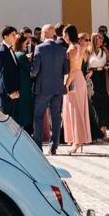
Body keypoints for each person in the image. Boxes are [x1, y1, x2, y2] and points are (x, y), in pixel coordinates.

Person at [29, 25, 68, 154]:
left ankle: (38, 145)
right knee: (56, 117)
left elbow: (35, 71)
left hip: (43, 88)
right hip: (57, 87)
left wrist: (30, 74)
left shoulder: (40, 48)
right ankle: (53, 146)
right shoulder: (61, 49)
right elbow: (66, 70)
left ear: (44, 34)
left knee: (38, 116)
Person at [60, 26, 92, 154]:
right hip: (78, 78)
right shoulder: (79, 47)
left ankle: (77, 141)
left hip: (73, 79)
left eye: (64, 34)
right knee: (77, 109)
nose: (63, 36)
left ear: (68, 34)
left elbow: (72, 69)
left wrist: (66, 84)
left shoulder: (72, 48)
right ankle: (77, 139)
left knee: (75, 110)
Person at [0, 26, 22, 120]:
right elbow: (3, 74)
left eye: (15, 35)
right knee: (4, 119)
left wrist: (16, 90)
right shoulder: (2, 51)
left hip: (13, 91)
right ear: (5, 37)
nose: (16, 37)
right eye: (13, 35)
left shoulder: (10, 49)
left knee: (11, 120)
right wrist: (10, 92)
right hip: (6, 93)